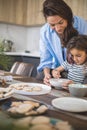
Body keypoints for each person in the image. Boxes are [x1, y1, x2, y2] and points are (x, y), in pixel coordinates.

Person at [37, 0, 87, 85]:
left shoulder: (82, 24)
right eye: (52, 25)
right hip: (61, 69)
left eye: (61, 22)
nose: (58, 29)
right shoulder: (45, 31)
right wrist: (47, 74)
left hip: (81, 70)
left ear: (67, 17)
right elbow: (46, 60)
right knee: (40, 77)